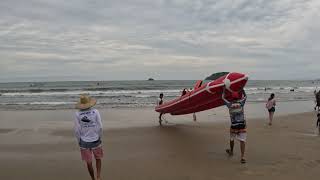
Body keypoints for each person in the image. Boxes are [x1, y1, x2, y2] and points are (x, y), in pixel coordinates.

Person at [74, 95, 103, 180]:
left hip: (84, 141)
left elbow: (77, 130)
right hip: (96, 139)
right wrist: (99, 137)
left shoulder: (77, 114)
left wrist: (79, 140)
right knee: (98, 158)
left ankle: (93, 178)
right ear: (89, 103)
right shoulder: (95, 111)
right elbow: (100, 126)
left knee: (89, 162)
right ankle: (98, 176)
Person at [222, 88, 247, 164]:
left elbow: (223, 98)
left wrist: (224, 90)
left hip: (234, 126)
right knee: (242, 141)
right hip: (242, 125)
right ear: (238, 97)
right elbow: (245, 96)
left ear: (232, 98)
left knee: (232, 138)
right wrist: (242, 89)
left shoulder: (229, 105)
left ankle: (231, 151)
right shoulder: (241, 103)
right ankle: (242, 157)